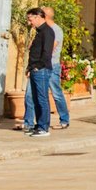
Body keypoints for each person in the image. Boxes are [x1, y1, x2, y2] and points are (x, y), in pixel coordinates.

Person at [23, 8, 56, 138]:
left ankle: (44, 127)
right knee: (35, 99)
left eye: (31, 19)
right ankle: (39, 125)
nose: (30, 23)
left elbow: (46, 53)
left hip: (41, 70)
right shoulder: (39, 32)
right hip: (35, 69)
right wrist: (29, 68)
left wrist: (37, 67)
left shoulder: (47, 31)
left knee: (42, 98)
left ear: (38, 17)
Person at [43, 6, 70, 130]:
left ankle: (64, 120)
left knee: (56, 93)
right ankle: (42, 121)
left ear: (45, 16)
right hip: (43, 65)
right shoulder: (43, 29)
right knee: (40, 94)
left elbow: (51, 47)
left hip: (52, 65)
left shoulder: (56, 30)